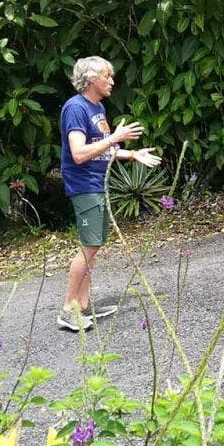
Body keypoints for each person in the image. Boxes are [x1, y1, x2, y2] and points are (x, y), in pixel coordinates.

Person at [58, 56, 161, 332]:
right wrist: (115, 138)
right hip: (84, 186)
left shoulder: (98, 108)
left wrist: (131, 154)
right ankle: (68, 310)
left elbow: (102, 147)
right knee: (88, 246)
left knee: (94, 245)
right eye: (107, 76)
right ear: (92, 79)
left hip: (98, 184)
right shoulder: (75, 108)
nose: (112, 81)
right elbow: (79, 153)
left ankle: (83, 305)